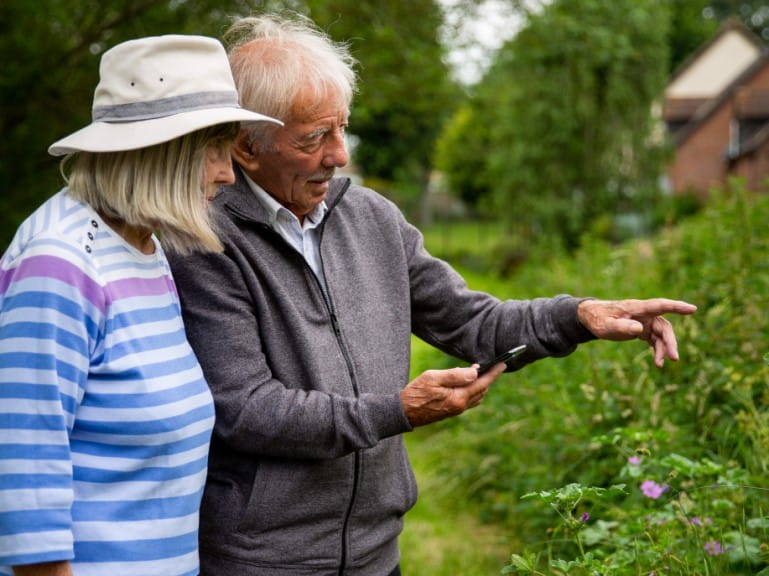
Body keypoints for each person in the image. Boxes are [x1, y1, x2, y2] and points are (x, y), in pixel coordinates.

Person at [164, 13, 697, 576]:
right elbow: (248, 410)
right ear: (247, 147)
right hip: (264, 562)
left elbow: (473, 323)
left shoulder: (371, 219)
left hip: (377, 555)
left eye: (342, 128)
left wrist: (581, 316)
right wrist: (397, 411)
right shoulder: (204, 242)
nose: (339, 155)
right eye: (314, 138)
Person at [0, 34, 280, 576]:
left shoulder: (143, 248)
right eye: (216, 150)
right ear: (163, 150)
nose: (228, 174)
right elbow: (24, 471)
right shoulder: (59, 264)